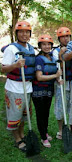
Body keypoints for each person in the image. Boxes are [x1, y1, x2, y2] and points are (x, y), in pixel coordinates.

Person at [1, 20, 35, 152]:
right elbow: (3, 69)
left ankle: (22, 134)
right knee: (15, 115)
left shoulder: (30, 48)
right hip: (14, 88)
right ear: (17, 33)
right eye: (21, 32)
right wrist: (15, 65)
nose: (24, 34)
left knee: (24, 115)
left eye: (27, 32)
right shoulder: (11, 49)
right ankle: (17, 139)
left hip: (27, 87)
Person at [32, 34, 62, 148]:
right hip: (38, 91)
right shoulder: (39, 59)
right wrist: (55, 75)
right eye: (44, 44)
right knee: (41, 115)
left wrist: (58, 79)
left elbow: (56, 72)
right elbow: (39, 77)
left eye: (49, 44)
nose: (47, 46)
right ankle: (43, 138)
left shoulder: (52, 58)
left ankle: (44, 132)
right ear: (40, 46)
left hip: (49, 90)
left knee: (46, 114)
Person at [52, 27, 72, 140]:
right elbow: (59, 68)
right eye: (63, 37)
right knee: (60, 106)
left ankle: (68, 127)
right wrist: (60, 55)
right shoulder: (55, 52)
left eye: (67, 36)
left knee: (70, 105)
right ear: (59, 39)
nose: (65, 39)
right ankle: (60, 130)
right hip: (61, 81)